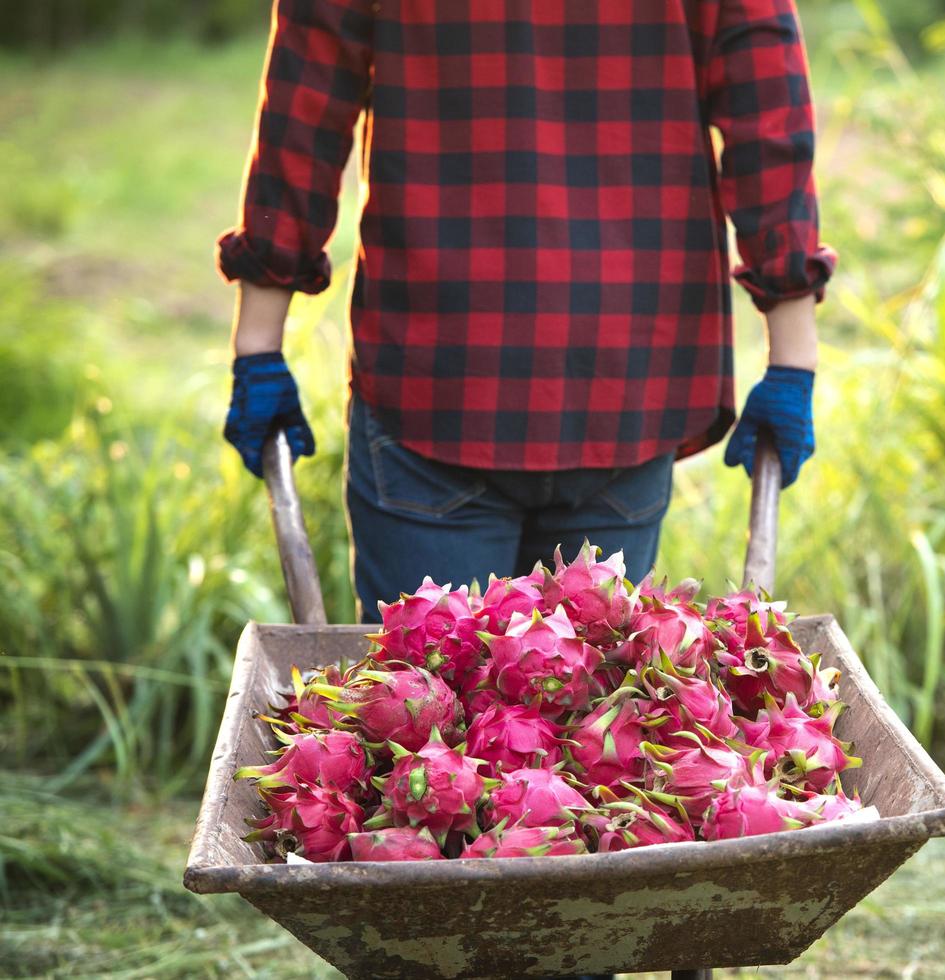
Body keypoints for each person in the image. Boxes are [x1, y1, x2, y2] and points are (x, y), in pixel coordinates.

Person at [219, 0, 833, 621]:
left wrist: (259, 345)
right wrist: (792, 358)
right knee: (599, 710)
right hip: (626, 383)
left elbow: (303, 117)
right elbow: (768, 123)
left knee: (416, 706)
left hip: (439, 377)